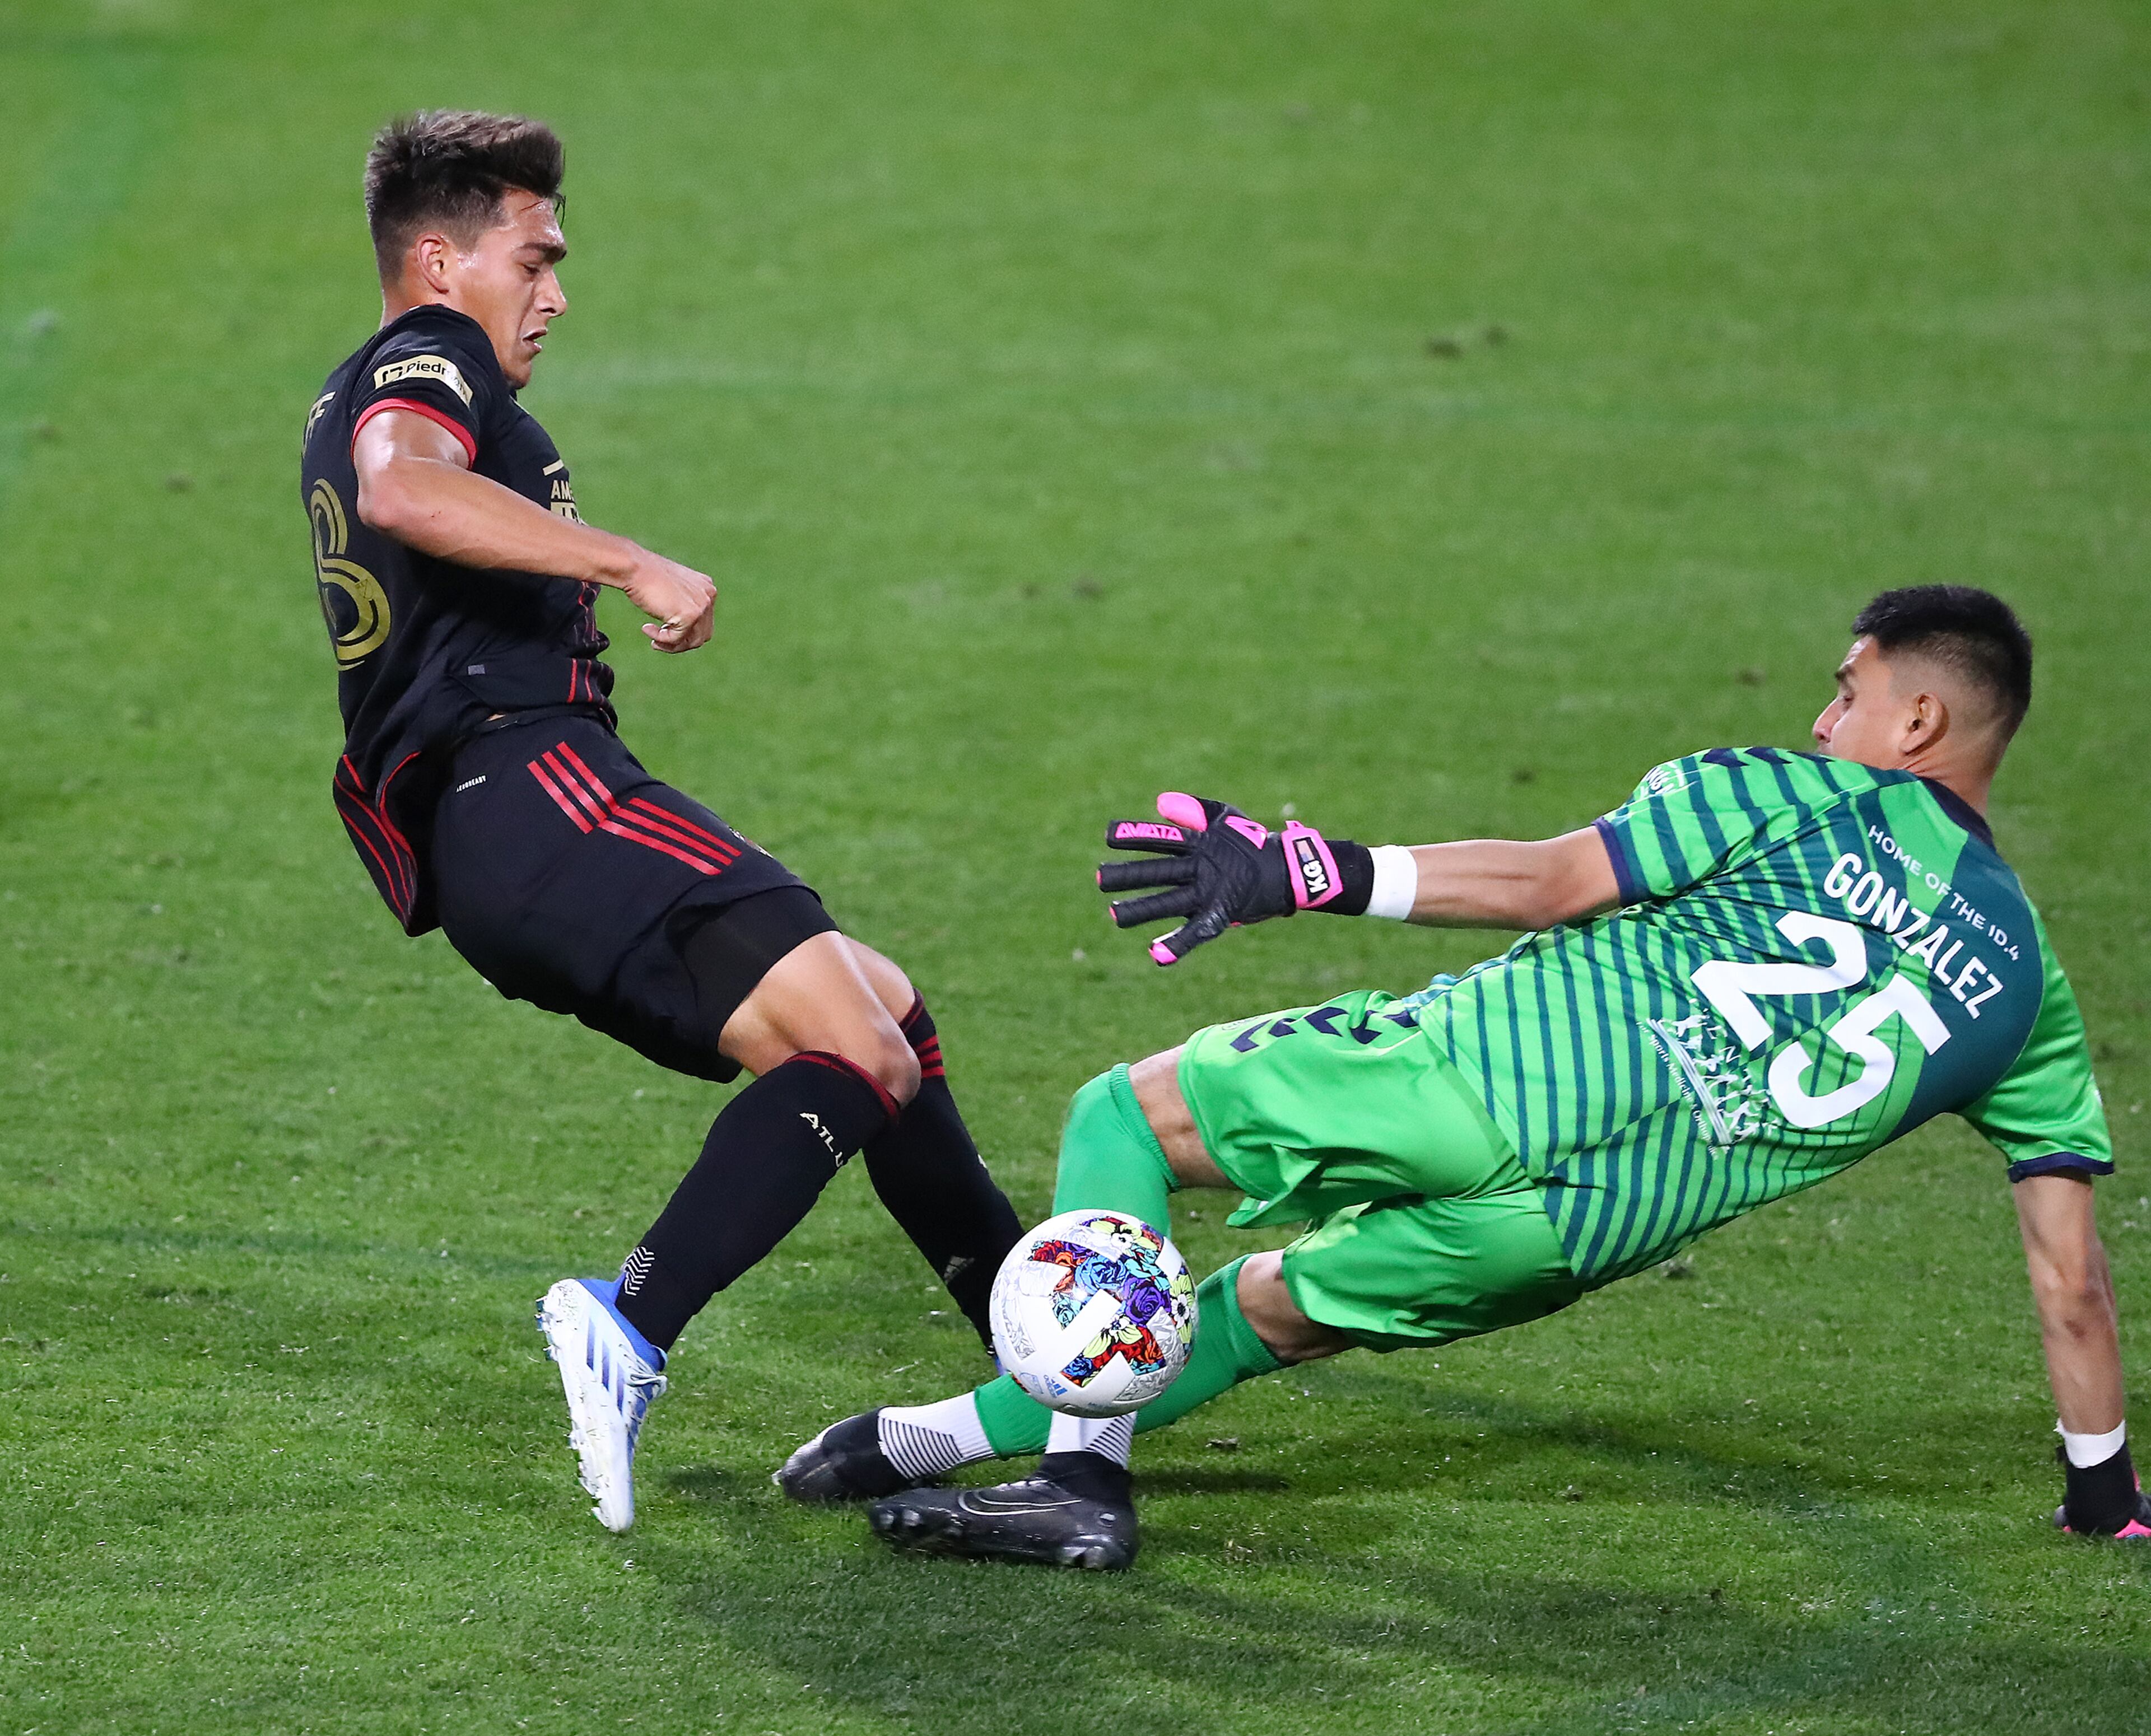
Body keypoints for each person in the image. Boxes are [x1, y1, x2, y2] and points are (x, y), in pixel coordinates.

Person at [777, 585, 2132, 1570]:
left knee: (1124, 1110)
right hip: (1573, 1235)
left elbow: (1551, 882)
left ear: (1921, 714)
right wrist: (2102, 1491)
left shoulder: (1790, 793)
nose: (1823, 712)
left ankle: (1080, 1477)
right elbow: (2070, 1279)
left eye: (1848, 688)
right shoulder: (2030, 1002)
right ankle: (934, 1438)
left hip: (1481, 1076)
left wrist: (1312, 869)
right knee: (1262, 1308)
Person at [299, 111, 1020, 1533]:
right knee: (849, 1041)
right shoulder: (416, 360)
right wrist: (628, 560)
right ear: (441, 259)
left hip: (504, 826)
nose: (556, 292)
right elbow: (405, 480)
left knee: (883, 1017)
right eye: (535, 256)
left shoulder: (381, 376)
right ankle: (623, 1326)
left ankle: (1037, 1356)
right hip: (533, 791)